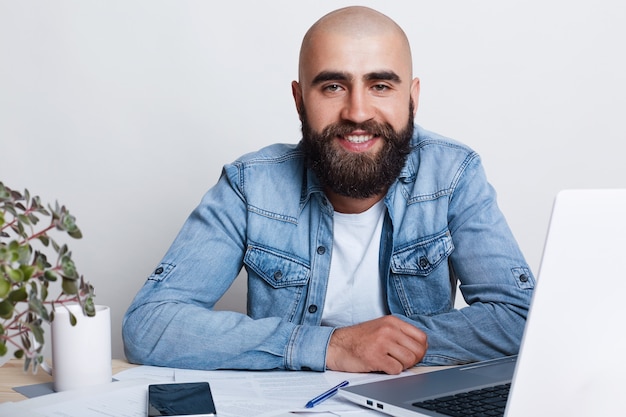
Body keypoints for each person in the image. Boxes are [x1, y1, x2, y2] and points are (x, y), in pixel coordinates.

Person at [122, 6, 535, 375]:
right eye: (333, 86)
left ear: (412, 98)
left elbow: (522, 319)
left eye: (381, 86)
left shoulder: (453, 175)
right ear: (300, 101)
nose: (357, 112)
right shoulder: (251, 186)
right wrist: (331, 347)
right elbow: (151, 325)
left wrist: (390, 345)